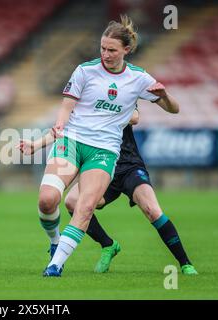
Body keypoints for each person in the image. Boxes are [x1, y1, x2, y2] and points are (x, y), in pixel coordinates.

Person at [34, 15, 181, 277]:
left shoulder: (138, 78)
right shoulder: (84, 70)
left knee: (86, 206)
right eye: (102, 48)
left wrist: (165, 96)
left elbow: (173, 110)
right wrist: (58, 126)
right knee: (47, 201)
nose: (106, 54)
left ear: (127, 50)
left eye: (112, 50)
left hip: (104, 151)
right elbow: (67, 105)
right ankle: (55, 241)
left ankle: (54, 265)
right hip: (71, 141)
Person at [19, 110, 198, 275]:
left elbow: (134, 117)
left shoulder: (117, 89)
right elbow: (63, 127)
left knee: (152, 210)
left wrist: (99, 111)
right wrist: (36, 145)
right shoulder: (85, 95)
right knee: (72, 202)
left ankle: (185, 263)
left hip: (128, 165)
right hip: (98, 165)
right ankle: (108, 245)